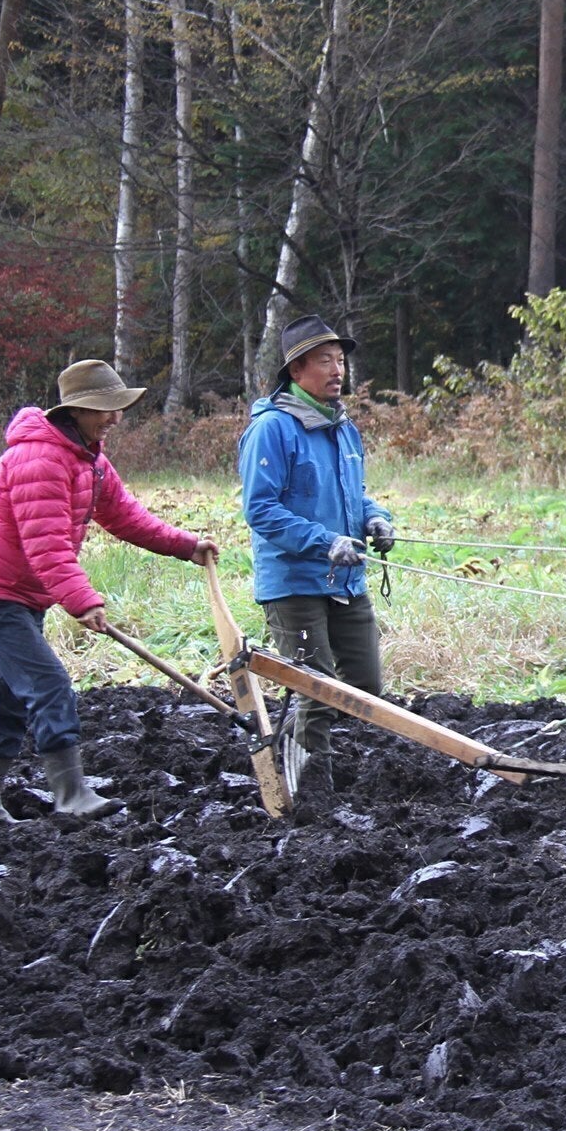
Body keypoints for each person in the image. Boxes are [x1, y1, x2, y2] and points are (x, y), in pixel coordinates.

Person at [0, 360, 219, 821]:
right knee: (49, 685)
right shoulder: (39, 460)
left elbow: (125, 516)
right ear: (74, 411)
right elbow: (47, 546)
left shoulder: (87, 459)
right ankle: (71, 796)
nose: (114, 418)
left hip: (21, 593)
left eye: (118, 407)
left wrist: (185, 546)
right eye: (104, 408)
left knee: (11, 700)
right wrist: (83, 601)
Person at [237, 314, 396, 795]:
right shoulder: (272, 429)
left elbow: (354, 494)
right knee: (317, 689)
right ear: (297, 370)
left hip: (346, 581)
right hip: (295, 584)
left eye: (340, 360)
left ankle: (294, 750)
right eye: (325, 361)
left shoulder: (344, 428)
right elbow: (261, 510)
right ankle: (307, 790)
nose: (337, 370)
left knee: (365, 688)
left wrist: (375, 518)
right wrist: (325, 542)